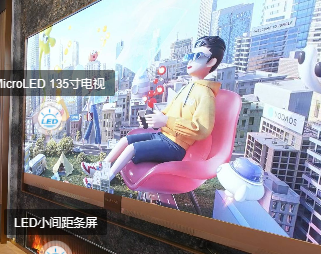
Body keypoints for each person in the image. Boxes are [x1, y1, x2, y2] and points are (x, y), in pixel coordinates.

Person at [81, 36, 225, 188]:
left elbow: (202, 129)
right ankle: (102, 166)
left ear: (211, 62)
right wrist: (152, 119)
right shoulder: (186, 88)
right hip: (163, 136)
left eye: (197, 56)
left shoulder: (205, 94)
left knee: (132, 148)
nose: (191, 61)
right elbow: (167, 112)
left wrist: (167, 121)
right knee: (125, 140)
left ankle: (102, 181)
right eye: (190, 56)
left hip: (175, 147)